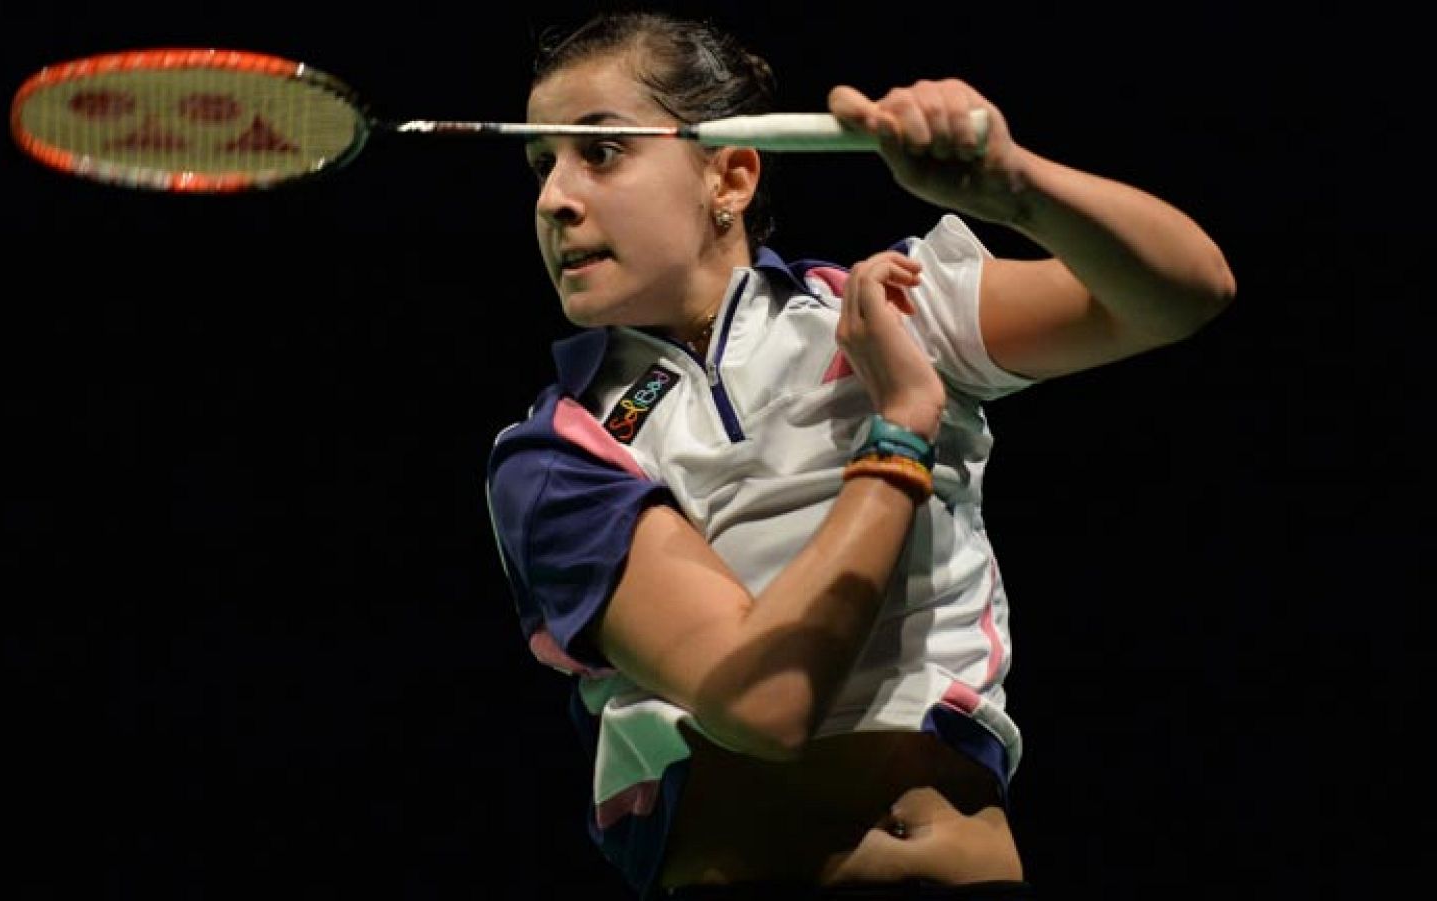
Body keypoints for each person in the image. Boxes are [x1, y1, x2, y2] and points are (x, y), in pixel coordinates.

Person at [485, 10, 1235, 900]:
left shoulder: (890, 305)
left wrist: (1014, 187)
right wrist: (902, 430)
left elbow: (1183, 293)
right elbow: (765, 703)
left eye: (600, 152)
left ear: (728, 175)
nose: (553, 198)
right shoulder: (557, 448)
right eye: (542, 164)